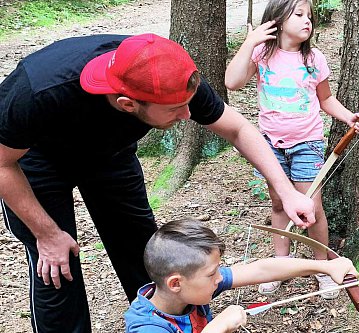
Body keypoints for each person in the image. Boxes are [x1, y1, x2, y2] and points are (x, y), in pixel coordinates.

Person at [0, 33, 318, 333]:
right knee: (57, 266)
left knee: (152, 255)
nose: (187, 115)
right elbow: (2, 163)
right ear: (128, 104)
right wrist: (47, 234)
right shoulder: (40, 90)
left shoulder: (167, 72)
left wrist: (287, 191)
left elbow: (236, 129)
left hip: (111, 155)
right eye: (174, 110)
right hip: (35, 162)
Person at [225, 0, 359, 297]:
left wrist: (348, 117)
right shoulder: (262, 54)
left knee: (312, 206)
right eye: (299, 15)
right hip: (270, 145)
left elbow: (325, 99)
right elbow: (232, 81)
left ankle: (323, 267)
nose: (307, 21)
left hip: (307, 144)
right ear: (277, 19)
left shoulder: (314, 58)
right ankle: (281, 263)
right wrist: (250, 41)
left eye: (310, 17)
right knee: (278, 203)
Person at [125, 218, 359, 333]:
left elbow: (261, 270)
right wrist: (218, 326)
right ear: (176, 283)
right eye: (211, 274)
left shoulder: (190, 290)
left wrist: (325, 267)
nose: (219, 278)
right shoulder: (148, 326)